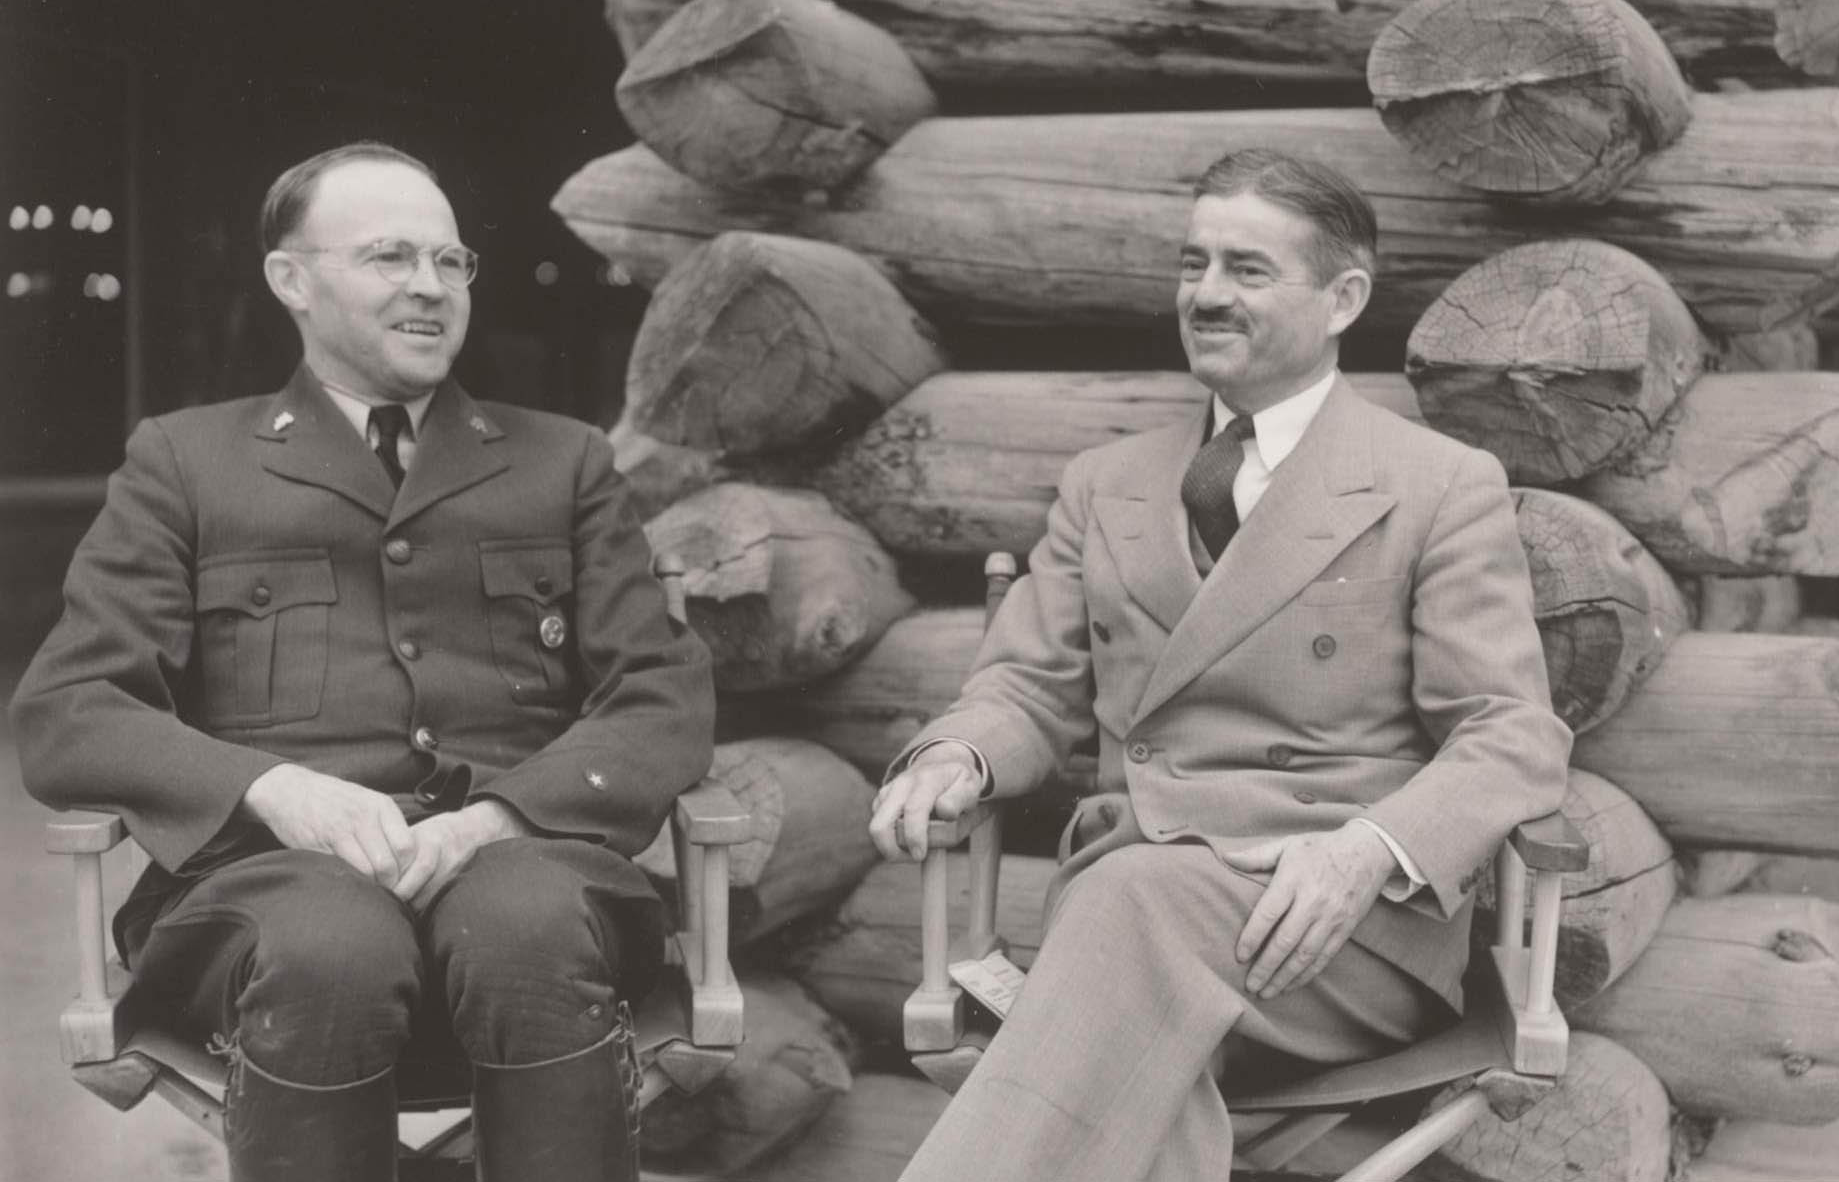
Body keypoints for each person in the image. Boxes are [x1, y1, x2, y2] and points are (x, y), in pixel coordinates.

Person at [12, 141, 714, 1182]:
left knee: (524, 923)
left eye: (451, 261)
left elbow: (660, 695)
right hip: (266, 904)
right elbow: (70, 708)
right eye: (390, 257)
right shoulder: (187, 463)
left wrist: (503, 816)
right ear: (291, 280)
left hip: (533, 884)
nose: (430, 288)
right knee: (330, 942)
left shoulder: (560, 461)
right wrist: (273, 788)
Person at [868, 148, 1573, 1182]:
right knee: (1137, 1008)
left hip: (1338, 928)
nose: (1203, 295)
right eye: (1191, 265)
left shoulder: (1434, 485)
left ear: (1341, 300)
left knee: (1124, 916)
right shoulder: (1104, 483)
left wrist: (1367, 851)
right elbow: (1025, 684)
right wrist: (959, 757)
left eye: (1245, 270)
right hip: (1139, 894)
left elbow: (1509, 733)